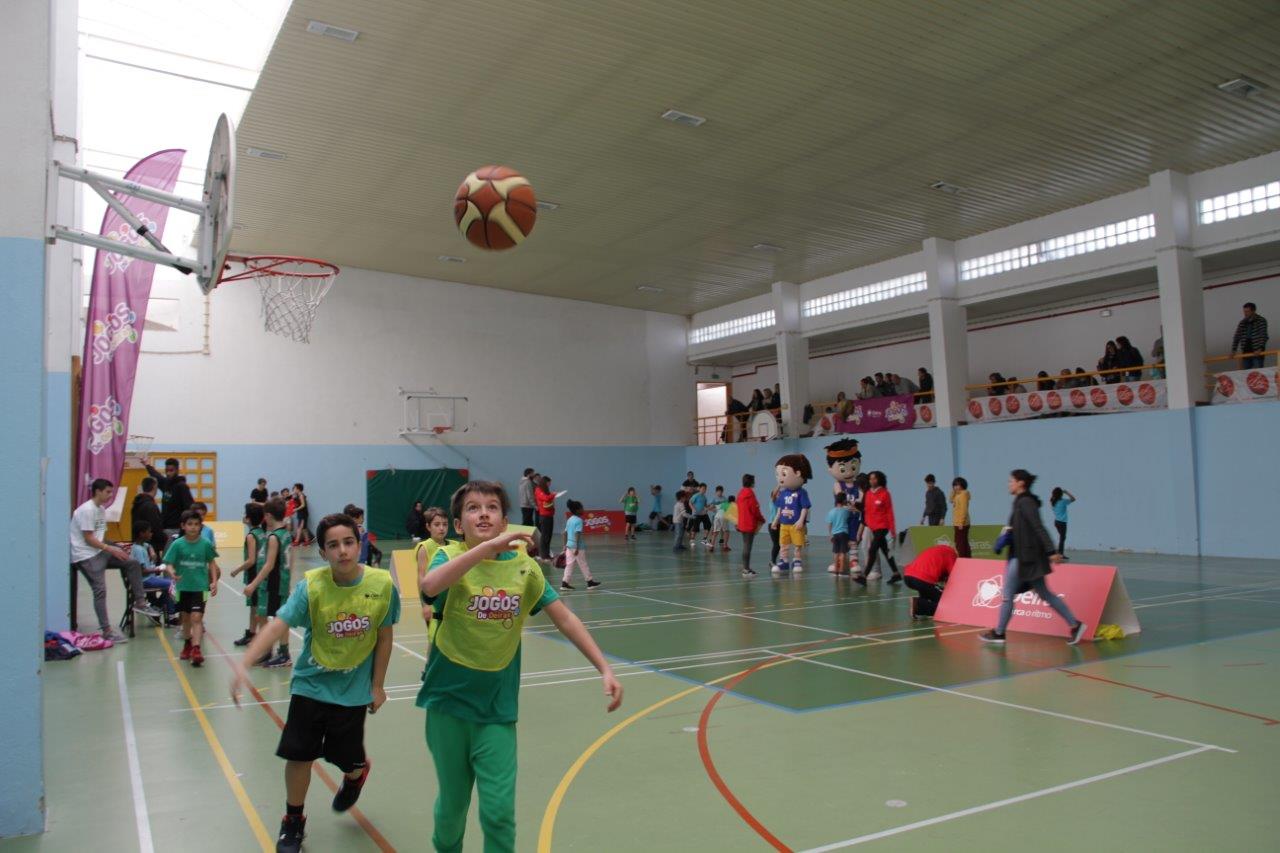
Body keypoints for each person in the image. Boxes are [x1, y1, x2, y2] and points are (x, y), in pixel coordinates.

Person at [416, 481, 621, 853]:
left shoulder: (525, 569)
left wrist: (603, 667)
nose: (483, 513)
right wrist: (485, 551)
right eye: (473, 508)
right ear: (459, 524)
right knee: (452, 808)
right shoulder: (448, 557)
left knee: (498, 813)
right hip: (447, 705)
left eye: (491, 507)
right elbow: (429, 586)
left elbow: (565, 619)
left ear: (503, 520)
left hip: (496, 708)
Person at [230, 513, 399, 853]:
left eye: (348, 542)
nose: (343, 551)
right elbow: (279, 624)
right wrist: (245, 662)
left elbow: (384, 637)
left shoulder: (382, 585)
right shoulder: (312, 586)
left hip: (352, 690)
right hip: (310, 685)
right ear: (323, 552)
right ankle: (293, 821)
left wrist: (378, 685)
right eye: (333, 545)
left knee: (345, 757)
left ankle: (356, 773)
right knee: (299, 755)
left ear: (360, 544)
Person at [980, 470, 1086, 645]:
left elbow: (1038, 527)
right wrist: (1005, 538)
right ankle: (1075, 625)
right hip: (1025, 556)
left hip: (1024, 558)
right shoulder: (1019, 503)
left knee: (1007, 594)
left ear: (1021, 483)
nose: (1009, 484)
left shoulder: (1026, 502)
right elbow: (1018, 529)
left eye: (1011, 481)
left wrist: (1051, 552)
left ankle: (999, 633)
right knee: (1045, 594)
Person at [70, 478, 159, 642]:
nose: (111, 495)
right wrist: (110, 548)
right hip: (85, 555)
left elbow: (100, 537)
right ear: (98, 491)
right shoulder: (86, 510)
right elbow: (89, 538)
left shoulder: (101, 510)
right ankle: (107, 631)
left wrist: (117, 547)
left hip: (99, 550)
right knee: (100, 591)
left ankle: (140, 602)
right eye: (108, 492)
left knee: (131, 562)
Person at [162, 509, 221, 667]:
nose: (193, 527)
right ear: (183, 526)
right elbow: (168, 563)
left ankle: (196, 649)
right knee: (186, 618)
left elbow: (212, 564)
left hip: (201, 588)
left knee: (197, 617)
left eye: (196, 524)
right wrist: (172, 572)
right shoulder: (178, 544)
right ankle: (187, 644)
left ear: (200, 526)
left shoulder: (206, 544)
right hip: (183, 587)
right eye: (190, 524)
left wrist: (214, 581)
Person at [244, 497, 293, 668]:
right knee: (262, 615)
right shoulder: (286, 533)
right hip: (280, 582)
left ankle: (284, 653)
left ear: (269, 516)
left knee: (279, 618)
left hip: (275, 583)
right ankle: (268, 651)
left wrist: (253, 584)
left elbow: (269, 565)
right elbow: (290, 561)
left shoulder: (274, 538)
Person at [230, 502, 268, 647]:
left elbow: (251, 560)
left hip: (254, 574)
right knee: (254, 607)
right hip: (260, 574)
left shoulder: (251, 536)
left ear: (248, 518)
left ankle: (261, 638)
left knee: (257, 608)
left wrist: (237, 570)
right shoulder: (262, 533)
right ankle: (251, 633)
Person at [770, 454, 813, 574]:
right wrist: (775, 520)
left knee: (797, 543)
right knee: (783, 543)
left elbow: (805, 507)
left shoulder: (802, 492)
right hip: (784, 524)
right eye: (778, 474)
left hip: (795, 524)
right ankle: (783, 561)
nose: (780, 478)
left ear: (798, 473)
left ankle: (797, 560)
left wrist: (800, 520)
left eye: (783, 474)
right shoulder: (783, 493)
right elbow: (780, 508)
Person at [414, 507, 451, 639]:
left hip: (450, 601)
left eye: (445, 524)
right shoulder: (425, 548)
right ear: (428, 527)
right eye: (437, 524)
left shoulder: (454, 545)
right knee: (434, 639)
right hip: (433, 602)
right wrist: (425, 604)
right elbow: (421, 577)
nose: (442, 528)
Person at [130, 520, 177, 623]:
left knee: (169, 585)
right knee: (171, 584)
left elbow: (148, 545)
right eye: (149, 531)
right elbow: (142, 571)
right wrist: (158, 569)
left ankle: (157, 607)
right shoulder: (138, 550)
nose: (151, 534)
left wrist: (151, 549)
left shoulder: (142, 545)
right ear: (142, 534)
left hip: (150, 578)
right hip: (145, 580)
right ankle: (170, 614)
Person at [861, 470, 900, 583]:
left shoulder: (885, 494)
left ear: (880, 480)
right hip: (873, 527)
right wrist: (868, 524)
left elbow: (889, 512)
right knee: (885, 551)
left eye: (874, 478)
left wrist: (892, 530)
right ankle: (896, 573)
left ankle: (864, 575)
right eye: (870, 479)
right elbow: (867, 511)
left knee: (872, 549)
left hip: (883, 526)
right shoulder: (868, 494)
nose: (872, 481)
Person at [144, 457, 195, 538]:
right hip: (165, 528)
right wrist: (147, 465)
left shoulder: (182, 487)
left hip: (177, 529)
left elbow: (189, 507)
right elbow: (157, 475)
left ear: (177, 471)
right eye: (167, 470)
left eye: (171, 470)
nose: (168, 473)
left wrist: (187, 527)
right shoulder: (166, 484)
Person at [904, 544, 957, 620]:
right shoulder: (951, 554)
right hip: (923, 579)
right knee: (946, 603)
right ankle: (919, 603)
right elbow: (954, 575)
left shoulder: (933, 550)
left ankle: (919, 608)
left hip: (908, 576)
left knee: (929, 594)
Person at [560, 499, 601, 591]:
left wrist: (564, 545)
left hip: (569, 545)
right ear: (577, 510)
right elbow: (577, 534)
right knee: (583, 563)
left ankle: (565, 583)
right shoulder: (579, 520)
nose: (583, 509)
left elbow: (565, 533)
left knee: (569, 564)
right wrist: (577, 547)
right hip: (577, 546)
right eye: (582, 508)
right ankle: (590, 582)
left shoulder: (570, 519)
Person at [736, 474, 765, 578]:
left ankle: (746, 568)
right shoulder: (750, 494)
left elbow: (737, 509)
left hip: (742, 524)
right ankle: (746, 570)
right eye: (754, 480)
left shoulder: (740, 493)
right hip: (749, 524)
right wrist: (762, 519)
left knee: (745, 546)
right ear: (751, 482)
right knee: (747, 547)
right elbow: (755, 510)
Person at [131, 476, 167, 557]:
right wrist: (164, 538)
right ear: (154, 487)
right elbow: (156, 527)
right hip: (151, 545)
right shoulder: (150, 506)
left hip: (138, 542)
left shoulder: (137, 503)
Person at [1231, 302, 1269, 369]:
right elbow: (1237, 337)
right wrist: (1233, 350)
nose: (1245, 313)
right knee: (1245, 374)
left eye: (1247, 311)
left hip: (1257, 351)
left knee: (1257, 373)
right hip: (1246, 351)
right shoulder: (1242, 323)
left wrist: (1260, 348)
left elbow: (1263, 335)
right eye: (1244, 311)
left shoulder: (1261, 320)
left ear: (1253, 311)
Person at [827, 493, 854, 578]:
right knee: (843, 553)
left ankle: (836, 570)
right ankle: (842, 570)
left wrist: (830, 534)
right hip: (844, 533)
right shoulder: (846, 511)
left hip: (835, 534)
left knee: (836, 552)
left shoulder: (831, 511)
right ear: (844, 501)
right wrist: (849, 503)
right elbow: (852, 513)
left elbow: (829, 524)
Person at [534, 476, 557, 561]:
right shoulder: (538, 490)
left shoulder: (545, 490)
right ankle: (543, 555)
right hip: (544, 516)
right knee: (545, 536)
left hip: (549, 515)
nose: (549, 485)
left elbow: (548, 500)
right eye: (548, 483)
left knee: (548, 536)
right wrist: (553, 495)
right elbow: (545, 498)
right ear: (545, 482)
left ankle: (546, 554)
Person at [1050, 487, 1076, 558]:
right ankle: (1060, 554)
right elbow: (1073, 499)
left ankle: (1059, 553)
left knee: (1062, 538)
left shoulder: (1052, 501)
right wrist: (1066, 492)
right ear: (1061, 494)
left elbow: (1052, 497)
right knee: (1062, 538)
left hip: (1056, 522)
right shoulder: (1063, 501)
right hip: (1062, 523)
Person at [951, 477, 971, 558]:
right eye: (954, 485)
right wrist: (953, 492)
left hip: (961, 523)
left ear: (962, 485)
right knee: (963, 542)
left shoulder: (963, 494)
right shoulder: (957, 495)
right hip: (958, 522)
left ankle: (962, 559)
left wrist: (961, 522)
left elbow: (964, 509)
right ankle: (967, 558)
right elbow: (951, 500)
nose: (956, 487)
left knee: (960, 543)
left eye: (957, 485)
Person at [690, 482, 710, 548]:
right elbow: (690, 503)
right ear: (699, 488)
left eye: (705, 489)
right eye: (703, 488)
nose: (704, 490)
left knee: (708, 525)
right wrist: (693, 509)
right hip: (696, 514)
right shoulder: (696, 495)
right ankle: (692, 540)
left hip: (703, 513)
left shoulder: (704, 497)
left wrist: (710, 507)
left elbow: (705, 505)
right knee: (695, 528)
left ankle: (704, 540)